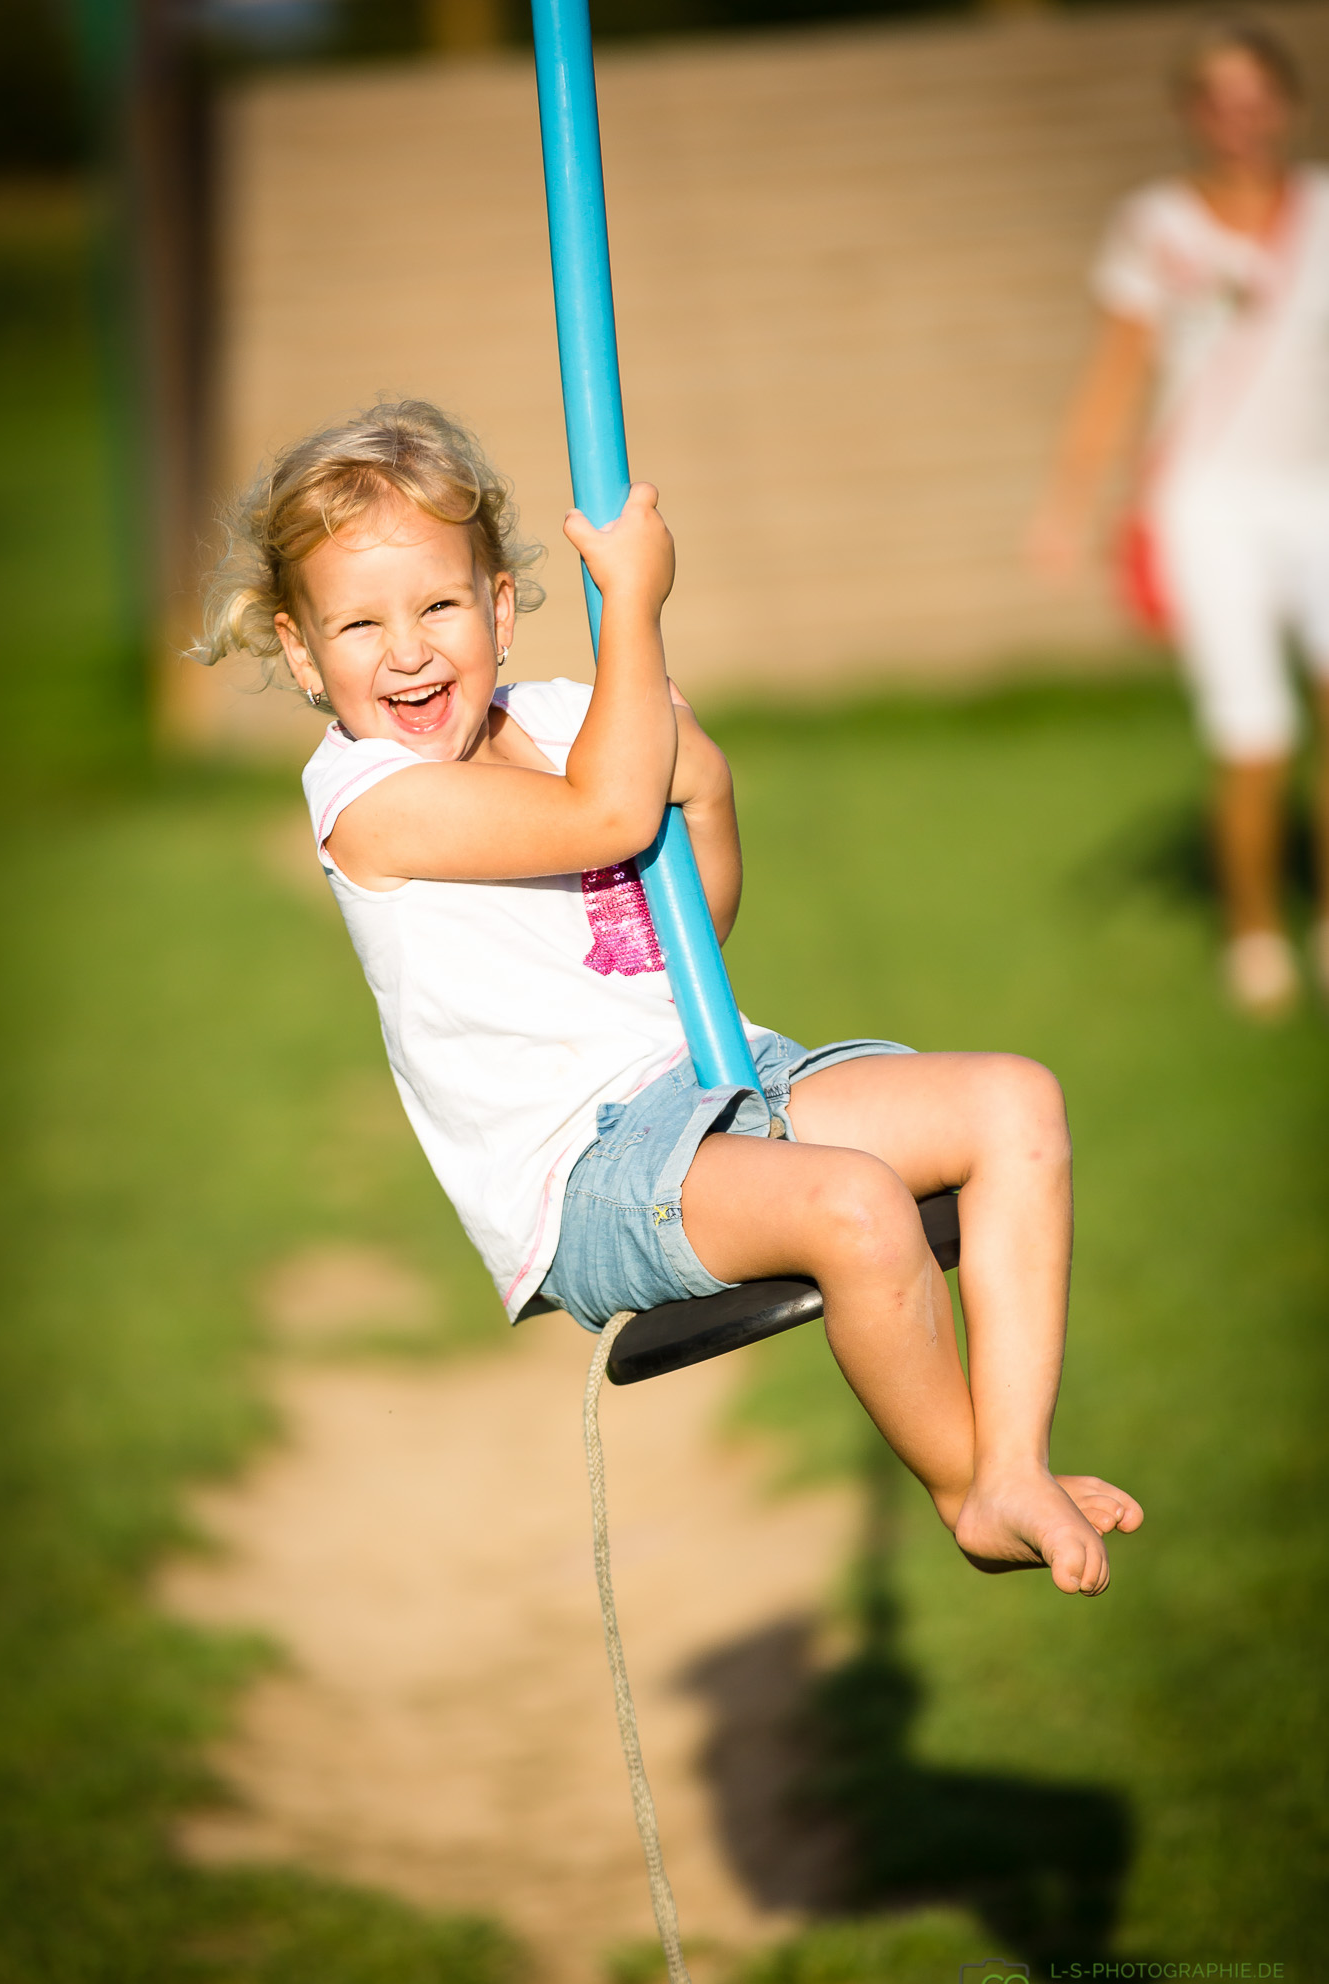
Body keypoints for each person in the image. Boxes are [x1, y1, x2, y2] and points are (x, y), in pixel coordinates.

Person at [198, 398, 1142, 1595]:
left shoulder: (560, 721)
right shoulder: (368, 798)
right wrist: (637, 608)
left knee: (1016, 1102)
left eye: (439, 604)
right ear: (298, 649)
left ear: (497, 604)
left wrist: (709, 788)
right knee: (854, 1207)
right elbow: (605, 816)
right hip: (585, 1170)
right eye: (359, 623)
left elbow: (692, 923)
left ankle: (1018, 1458)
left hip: (722, 1078)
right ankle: (965, 1488)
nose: (408, 650)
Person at [1031, 20, 1329, 1016]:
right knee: (1256, 730)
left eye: (1255, 98)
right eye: (1216, 100)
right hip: (1208, 507)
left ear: (1286, 102)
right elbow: (1118, 372)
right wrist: (1069, 506)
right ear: (1188, 114)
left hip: (1318, 494)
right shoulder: (1154, 223)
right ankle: (1253, 933)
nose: (1239, 120)